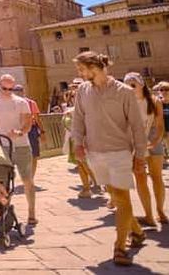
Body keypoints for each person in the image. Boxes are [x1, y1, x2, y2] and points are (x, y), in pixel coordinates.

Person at [71, 52, 148, 266]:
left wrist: (140, 156)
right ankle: (138, 232)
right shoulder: (83, 91)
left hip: (120, 152)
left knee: (121, 198)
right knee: (115, 195)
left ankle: (120, 247)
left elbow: (136, 126)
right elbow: (78, 118)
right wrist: (77, 143)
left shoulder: (124, 92)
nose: (79, 73)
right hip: (95, 154)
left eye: (82, 69)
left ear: (94, 67)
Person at [0, 74, 36, 225]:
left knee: (27, 180)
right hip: (2, 146)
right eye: (4, 88)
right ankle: (5, 214)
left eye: (10, 89)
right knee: (4, 182)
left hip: (22, 146)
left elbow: (28, 122)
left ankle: (31, 213)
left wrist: (20, 132)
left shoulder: (21, 102)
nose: (7, 91)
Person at [124, 73, 166, 226]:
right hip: (135, 144)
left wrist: (155, 142)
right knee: (140, 179)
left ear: (141, 84)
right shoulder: (126, 102)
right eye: (127, 83)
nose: (129, 86)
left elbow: (160, 125)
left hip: (152, 138)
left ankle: (160, 211)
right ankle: (149, 215)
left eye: (133, 83)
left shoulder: (154, 101)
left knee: (157, 177)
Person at [62, 84, 98, 199]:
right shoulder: (70, 110)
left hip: (86, 138)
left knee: (85, 162)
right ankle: (86, 188)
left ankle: (98, 181)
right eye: (73, 96)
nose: (74, 98)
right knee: (80, 163)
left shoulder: (88, 108)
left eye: (77, 96)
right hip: (74, 139)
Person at [14, 84, 46, 178]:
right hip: (21, 130)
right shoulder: (12, 104)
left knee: (33, 154)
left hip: (29, 130)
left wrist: (42, 132)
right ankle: (28, 175)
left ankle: (30, 176)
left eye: (19, 91)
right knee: (26, 154)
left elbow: (37, 118)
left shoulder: (30, 103)